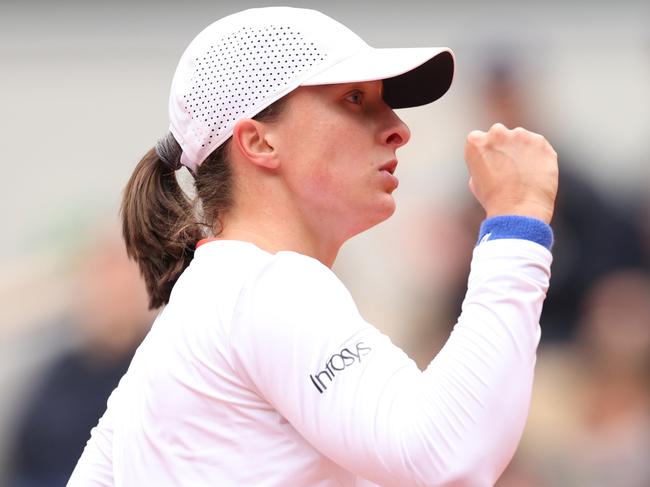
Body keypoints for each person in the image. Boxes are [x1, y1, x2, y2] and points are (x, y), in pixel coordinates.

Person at [68, 7, 558, 487]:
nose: (398, 128)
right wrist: (517, 221)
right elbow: (447, 454)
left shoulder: (195, 318)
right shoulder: (266, 285)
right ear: (260, 143)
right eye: (353, 98)